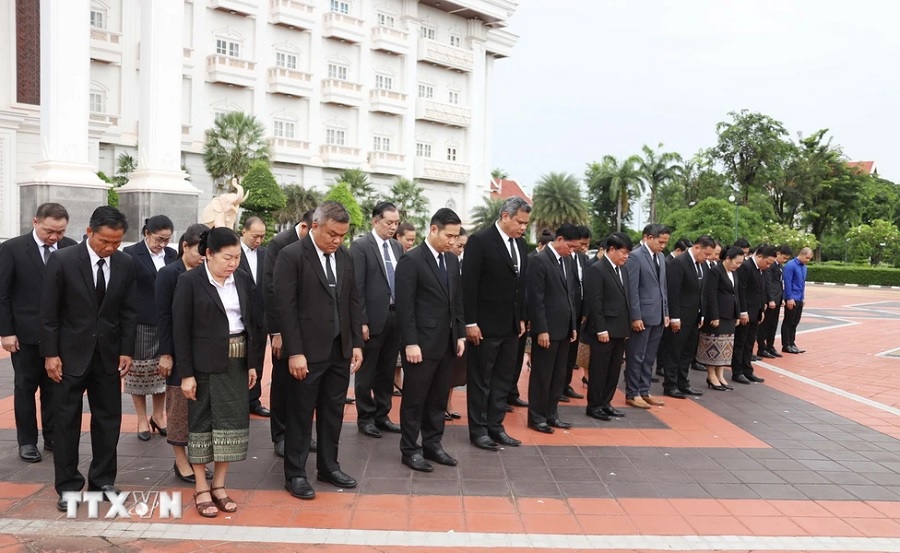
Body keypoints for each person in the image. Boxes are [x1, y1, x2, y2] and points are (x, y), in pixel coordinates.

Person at [40, 206, 137, 512]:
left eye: (117, 242)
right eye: (105, 241)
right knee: (66, 422)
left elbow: (128, 311)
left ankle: (103, 480)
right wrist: (51, 354)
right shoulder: (63, 260)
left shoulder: (125, 263)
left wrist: (126, 349)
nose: (110, 248)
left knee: (109, 420)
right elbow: (49, 313)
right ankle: (68, 485)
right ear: (89, 232)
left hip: (107, 357)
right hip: (68, 357)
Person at [275, 201, 364, 500]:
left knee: (332, 412)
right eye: (332, 234)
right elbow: (285, 309)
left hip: (339, 350)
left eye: (342, 235)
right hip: (307, 353)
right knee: (300, 414)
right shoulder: (292, 256)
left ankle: (328, 466)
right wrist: (295, 351)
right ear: (315, 226)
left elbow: (353, 301)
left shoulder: (346, 257)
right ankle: (296, 474)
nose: (337, 240)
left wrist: (356, 345)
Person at [174, 227, 258, 518]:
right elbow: (180, 331)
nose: (233, 263)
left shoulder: (243, 281)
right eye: (227, 257)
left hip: (236, 363)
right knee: (201, 425)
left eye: (237, 257)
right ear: (208, 254)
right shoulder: (189, 282)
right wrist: (186, 374)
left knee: (231, 426)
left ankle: (220, 485)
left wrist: (252, 364)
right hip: (203, 366)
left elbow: (253, 324)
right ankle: (201, 487)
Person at [0, 203, 77, 463]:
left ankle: (53, 436)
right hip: (25, 334)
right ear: (35, 222)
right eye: (49, 231)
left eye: (60, 231)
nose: (54, 237)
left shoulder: (71, 247)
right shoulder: (12, 249)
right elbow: (3, 294)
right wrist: (6, 332)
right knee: (25, 387)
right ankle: (27, 442)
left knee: (54, 388)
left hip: (60, 334)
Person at [396, 208, 465, 471]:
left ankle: (433, 444)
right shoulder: (411, 261)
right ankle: (410, 449)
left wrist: (459, 335)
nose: (453, 242)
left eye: (456, 236)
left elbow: (456, 301)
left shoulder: (452, 261)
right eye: (449, 236)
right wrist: (410, 342)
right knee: (415, 398)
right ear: (433, 229)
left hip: (447, 342)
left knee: (438, 398)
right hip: (420, 345)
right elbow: (405, 307)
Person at [462, 196, 530, 451]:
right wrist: (470, 322)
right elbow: (468, 285)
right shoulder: (480, 241)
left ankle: (496, 426)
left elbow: (521, 285)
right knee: (481, 379)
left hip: (511, 326)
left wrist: (522, 317)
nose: (523, 227)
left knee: (503, 379)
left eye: (525, 223)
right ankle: (478, 430)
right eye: (519, 222)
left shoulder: (521, 245)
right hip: (484, 326)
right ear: (504, 215)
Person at [156, 224, 213, 484]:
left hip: (203, 350)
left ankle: (197, 457)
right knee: (178, 408)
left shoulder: (209, 273)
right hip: (178, 352)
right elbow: (164, 317)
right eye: (198, 250)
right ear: (185, 247)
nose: (202, 255)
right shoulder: (169, 274)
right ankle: (181, 461)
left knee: (200, 408)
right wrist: (166, 353)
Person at [263, 210, 314, 457]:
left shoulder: (318, 246)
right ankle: (280, 435)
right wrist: (278, 331)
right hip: (283, 327)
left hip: (309, 327)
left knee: (306, 384)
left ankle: (302, 433)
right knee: (282, 382)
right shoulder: (280, 244)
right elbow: (272, 291)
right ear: (304, 226)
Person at [351, 202, 404, 439]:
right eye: (388, 222)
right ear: (375, 221)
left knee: (387, 369)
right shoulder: (361, 246)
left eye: (396, 223)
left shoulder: (397, 247)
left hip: (395, 316)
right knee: (367, 372)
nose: (393, 227)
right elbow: (356, 287)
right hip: (371, 319)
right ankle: (365, 417)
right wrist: (361, 320)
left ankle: (383, 415)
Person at [122, 215, 176, 441]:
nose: (162, 244)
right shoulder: (131, 254)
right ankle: (142, 419)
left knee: (162, 371)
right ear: (147, 233)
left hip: (166, 319)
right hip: (141, 321)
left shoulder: (172, 255)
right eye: (158, 239)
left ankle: (158, 416)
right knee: (140, 372)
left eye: (166, 240)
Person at [525, 224, 579, 434]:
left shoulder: (567, 260)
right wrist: (541, 329)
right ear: (559, 240)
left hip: (564, 328)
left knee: (559, 374)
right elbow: (536, 299)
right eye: (570, 246)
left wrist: (573, 325)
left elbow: (570, 295)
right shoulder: (539, 261)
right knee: (542, 374)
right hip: (547, 329)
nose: (572, 250)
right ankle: (536, 417)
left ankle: (551, 413)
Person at [582, 233, 632, 420]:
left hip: (620, 329)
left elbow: (626, 300)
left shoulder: (623, 270)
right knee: (599, 369)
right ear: (611, 250)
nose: (626, 257)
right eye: (624, 252)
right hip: (603, 330)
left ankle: (606, 402)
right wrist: (601, 328)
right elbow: (595, 302)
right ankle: (594, 405)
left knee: (613, 369)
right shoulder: (598, 269)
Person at [659, 236, 715, 399]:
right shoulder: (679, 262)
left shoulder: (702, 266)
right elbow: (673, 292)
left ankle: (683, 382)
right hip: (680, 316)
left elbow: (702, 292)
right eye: (706, 253)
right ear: (697, 247)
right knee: (674, 351)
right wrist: (674, 316)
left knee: (687, 352)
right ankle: (670, 385)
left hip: (695, 316)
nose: (708, 257)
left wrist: (702, 313)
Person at [623, 224, 670, 409]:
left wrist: (666, 312)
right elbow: (632, 289)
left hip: (657, 315)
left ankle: (644, 390)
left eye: (666, 242)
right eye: (660, 242)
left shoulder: (661, 258)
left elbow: (663, 288)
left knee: (650, 357)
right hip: (642, 315)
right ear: (648, 237)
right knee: (636, 356)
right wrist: (635, 316)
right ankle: (632, 393)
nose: (663, 246)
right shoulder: (635, 257)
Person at [698, 246, 744, 391]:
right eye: (736, 262)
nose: (738, 265)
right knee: (714, 345)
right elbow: (710, 294)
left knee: (726, 346)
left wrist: (738, 314)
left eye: (740, 263)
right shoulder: (715, 271)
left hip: (730, 315)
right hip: (718, 315)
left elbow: (735, 293)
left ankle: (720, 374)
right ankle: (711, 375)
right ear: (728, 258)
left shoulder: (733, 273)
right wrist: (714, 315)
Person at [238, 216, 270, 418]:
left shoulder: (266, 255)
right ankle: (238, 399)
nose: (258, 240)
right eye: (255, 236)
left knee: (257, 359)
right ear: (244, 232)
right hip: (239, 317)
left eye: (262, 236)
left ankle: (253, 399)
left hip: (260, 317)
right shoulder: (234, 254)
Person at [732, 244, 776, 384]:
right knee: (741, 342)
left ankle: (747, 370)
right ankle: (737, 371)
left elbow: (761, 290)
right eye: (767, 262)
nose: (768, 266)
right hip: (746, 313)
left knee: (750, 343)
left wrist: (761, 310)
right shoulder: (745, 267)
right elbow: (741, 291)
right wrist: (742, 311)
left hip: (755, 312)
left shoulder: (761, 270)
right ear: (759, 256)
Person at [560, 225, 590, 403]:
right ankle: (558, 387)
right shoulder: (564, 258)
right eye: (582, 244)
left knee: (572, 352)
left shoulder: (583, 259)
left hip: (579, 312)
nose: (583, 247)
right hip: (565, 312)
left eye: (586, 244)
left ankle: (566, 384)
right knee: (562, 353)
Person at [446, 226, 468, 420]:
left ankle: (448, 401)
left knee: (456, 366)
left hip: (459, 322)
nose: (459, 248)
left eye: (462, 245)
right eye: (458, 244)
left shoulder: (462, 264)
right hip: (439, 325)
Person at [392, 222, 417, 394]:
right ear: (398, 237)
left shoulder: (414, 257)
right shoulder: (393, 255)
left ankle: (397, 384)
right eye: (407, 239)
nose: (410, 243)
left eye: (413, 240)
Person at [757, 245, 792, 359]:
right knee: (765, 325)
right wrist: (770, 299)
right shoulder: (770, 266)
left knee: (773, 325)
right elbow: (769, 283)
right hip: (771, 300)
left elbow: (779, 283)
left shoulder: (779, 266)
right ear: (778, 253)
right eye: (784, 257)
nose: (784, 260)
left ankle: (770, 346)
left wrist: (781, 298)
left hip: (777, 298)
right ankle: (762, 347)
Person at [782, 247, 812, 354]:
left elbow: (802, 284)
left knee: (795, 322)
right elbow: (787, 282)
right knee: (788, 322)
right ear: (802, 254)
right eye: (807, 258)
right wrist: (789, 298)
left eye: (810, 259)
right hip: (792, 297)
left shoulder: (804, 267)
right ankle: (786, 344)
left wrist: (802, 297)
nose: (808, 260)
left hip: (799, 297)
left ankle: (792, 342)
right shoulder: (790, 265)